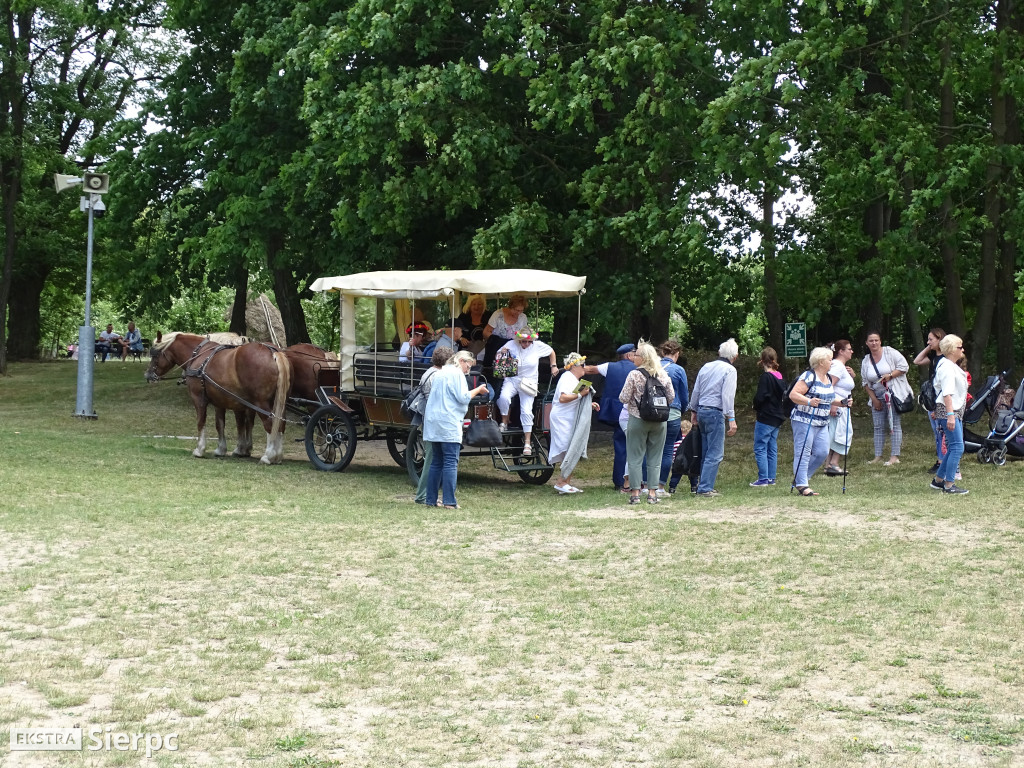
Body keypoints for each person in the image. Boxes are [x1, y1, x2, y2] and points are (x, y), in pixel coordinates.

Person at [423, 351, 489, 509]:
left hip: (433, 421)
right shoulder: (456, 374)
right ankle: (449, 501)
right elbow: (463, 397)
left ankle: (431, 500)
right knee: (450, 463)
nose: (468, 370)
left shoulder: (440, 372)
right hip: (448, 422)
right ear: (461, 361)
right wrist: (478, 390)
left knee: (436, 462)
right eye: (468, 365)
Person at [620, 342, 675, 505]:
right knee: (655, 457)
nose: (633, 357)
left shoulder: (634, 375)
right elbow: (671, 397)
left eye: (635, 355)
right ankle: (652, 493)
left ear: (642, 358)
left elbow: (623, 397)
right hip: (659, 421)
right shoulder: (663, 375)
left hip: (638, 419)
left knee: (635, 457)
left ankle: (635, 493)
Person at [689, 338, 739, 498]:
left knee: (705, 451)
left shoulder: (706, 366)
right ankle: (705, 487)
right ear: (735, 356)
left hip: (702, 410)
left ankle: (703, 484)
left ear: (719, 353)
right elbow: (727, 395)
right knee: (715, 452)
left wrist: (694, 410)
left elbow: (696, 390)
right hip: (715, 412)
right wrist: (731, 417)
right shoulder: (730, 370)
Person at [495, 328, 556, 456]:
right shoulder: (512, 343)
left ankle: (527, 443)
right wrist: (502, 352)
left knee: (526, 410)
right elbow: (498, 354)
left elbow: (551, 352)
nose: (526, 344)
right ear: (519, 340)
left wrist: (553, 366)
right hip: (512, 379)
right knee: (503, 398)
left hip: (529, 382)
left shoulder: (538, 346)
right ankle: (504, 421)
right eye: (523, 341)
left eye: (529, 342)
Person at [584, 343, 637, 492]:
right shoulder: (640, 369)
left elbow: (589, 369)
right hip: (634, 412)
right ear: (628, 355)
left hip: (615, 413)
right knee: (636, 447)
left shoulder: (610, 366)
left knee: (620, 446)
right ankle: (635, 480)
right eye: (635, 353)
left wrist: (572, 366)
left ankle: (619, 481)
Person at [549, 352, 601, 494]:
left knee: (572, 447)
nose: (584, 368)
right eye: (582, 365)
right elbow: (563, 398)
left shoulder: (573, 379)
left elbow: (575, 399)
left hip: (570, 417)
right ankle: (561, 482)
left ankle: (566, 483)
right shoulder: (567, 378)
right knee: (569, 448)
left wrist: (589, 403)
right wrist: (580, 394)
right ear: (575, 366)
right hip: (562, 418)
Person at [789, 346, 836, 496]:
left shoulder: (828, 378)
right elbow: (793, 394)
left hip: (822, 422)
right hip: (804, 420)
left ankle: (800, 478)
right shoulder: (809, 376)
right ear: (821, 362)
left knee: (822, 452)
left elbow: (829, 397)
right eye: (830, 359)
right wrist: (809, 402)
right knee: (803, 452)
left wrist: (843, 402)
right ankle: (802, 485)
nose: (832, 362)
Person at [861, 331, 912, 465]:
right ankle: (878, 456)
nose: (874, 343)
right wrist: (874, 400)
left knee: (894, 425)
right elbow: (865, 383)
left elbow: (904, 367)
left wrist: (890, 375)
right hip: (877, 396)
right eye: (871, 341)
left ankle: (894, 456)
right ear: (867, 343)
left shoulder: (890, 353)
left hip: (892, 394)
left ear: (880, 341)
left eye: (876, 340)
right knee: (878, 426)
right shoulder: (866, 360)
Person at [415, 347, 455, 505]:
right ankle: (422, 495)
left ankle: (427, 494)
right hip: (433, 421)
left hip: (429, 420)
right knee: (431, 460)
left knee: (434, 459)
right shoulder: (437, 376)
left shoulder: (429, 372)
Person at [930, 334, 969, 494]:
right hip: (948, 411)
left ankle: (938, 480)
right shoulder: (946, 366)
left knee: (955, 446)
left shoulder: (949, 364)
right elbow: (947, 393)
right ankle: (949, 484)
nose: (963, 349)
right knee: (957, 447)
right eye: (960, 347)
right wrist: (951, 415)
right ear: (952, 349)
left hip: (952, 410)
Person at [657, 340, 689, 497]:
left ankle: (644, 484)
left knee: (650, 450)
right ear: (677, 354)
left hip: (652, 413)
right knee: (668, 450)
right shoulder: (679, 370)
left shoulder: (652, 367)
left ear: (663, 353)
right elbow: (684, 396)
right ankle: (660, 486)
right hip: (672, 413)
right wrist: (681, 410)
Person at [750, 346, 786, 487]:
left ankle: (763, 478)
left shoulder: (766, 377)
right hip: (777, 416)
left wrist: (755, 406)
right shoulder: (780, 376)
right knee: (772, 447)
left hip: (766, 416)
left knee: (760, 446)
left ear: (762, 360)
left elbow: (761, 397)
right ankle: (771, 478)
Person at [913, 328, 947, 473]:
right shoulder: (933, 356)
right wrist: (929, 347)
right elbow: (917, 361)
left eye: (931, 339)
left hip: (941, 399)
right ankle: (940, 459)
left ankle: (942, 461)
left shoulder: (946, 358)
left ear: (940, 339)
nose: (928, 342)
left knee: (941, 431)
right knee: (936, 431)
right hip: (932, 398)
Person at [824, 339, 856, 476]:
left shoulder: (841, 367)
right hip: (837, 406)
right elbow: (829, 385)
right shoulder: (837, 365)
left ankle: (829, 465)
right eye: (849, 349)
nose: (852, 351)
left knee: (836, 433)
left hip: (843, 405)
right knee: (841, 433)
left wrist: (852, 376)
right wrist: (832, 404)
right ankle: (833, 463)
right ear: (841, 351)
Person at [482, 294, 528, 366]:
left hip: (514, 351)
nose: (518, 313)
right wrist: (497, 340)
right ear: (511, 307)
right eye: (516, 310)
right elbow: (486, 332)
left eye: (521, 310)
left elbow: (523, 334)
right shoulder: (498, 314)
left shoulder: (523, 317)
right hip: (496, 349)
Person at [457, 294, 489, 358]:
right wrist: (461, 338)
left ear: (483, 305)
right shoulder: (463, 317)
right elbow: (454, 331)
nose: (476, 307)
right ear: (469, 305)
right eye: (474, 304)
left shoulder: (488, 316)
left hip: (484, 351)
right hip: (465, 351)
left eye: (479, 304)